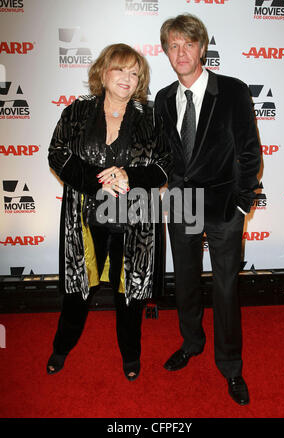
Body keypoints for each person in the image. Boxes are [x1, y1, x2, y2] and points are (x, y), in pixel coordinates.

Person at [47, 43, 171, 381]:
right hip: (85, 219)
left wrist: (131, 175)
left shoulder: (151, 117)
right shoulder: (76, 111)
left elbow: (164, 166)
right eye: (120, 70)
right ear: (103, 72)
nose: (127, 78)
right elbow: (56, 153)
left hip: (135, 222)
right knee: (77, 290)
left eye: (134, 73)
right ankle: (61, 347)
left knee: (128, 294)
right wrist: (94, 182)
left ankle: (130, 355)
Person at [154, 14, 261, 405]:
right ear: (166, 52)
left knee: (226, 286)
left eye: (188, 44)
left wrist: (241, 202)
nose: (181, 53)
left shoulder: (232, 91)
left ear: (202, 48)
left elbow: (250, 152)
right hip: (182, 203)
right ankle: (191, 342)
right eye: (173, 46)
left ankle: (231, 365)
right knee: (185, 280)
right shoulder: (163, 99)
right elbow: (164, 155)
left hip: (223, 206)